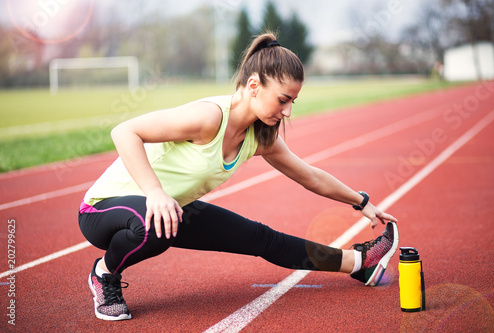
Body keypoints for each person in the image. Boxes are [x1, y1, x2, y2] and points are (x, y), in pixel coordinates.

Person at [78, 32, 399, 321]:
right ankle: (104, 273)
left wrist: (361, 202)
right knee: (154, 226)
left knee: (261, 239)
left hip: (169, 211)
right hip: (103, 210)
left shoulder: (260, 138)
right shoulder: (209, 117)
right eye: (283, 99)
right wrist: (155, 192)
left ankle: (360, 263)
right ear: (254, 86)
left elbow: (310, 176)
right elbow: (124, 131)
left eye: (293, 102)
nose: (287, 111)